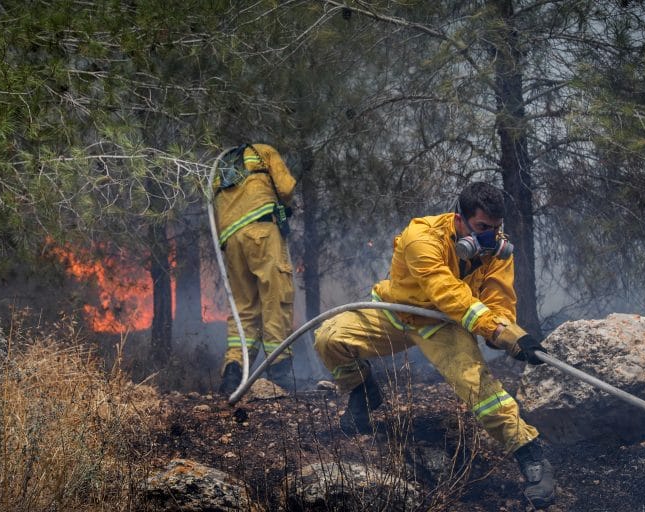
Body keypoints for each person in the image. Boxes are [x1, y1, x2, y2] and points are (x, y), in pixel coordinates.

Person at [313, 181, 555, 508]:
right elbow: (445, 291)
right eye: (482, 227)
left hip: (442, 325)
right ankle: (363, 392)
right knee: (329, 338)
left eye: (495, 228)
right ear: (460, 220)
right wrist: (493, 328)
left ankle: (532, 456)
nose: (489, 237)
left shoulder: (497, 250)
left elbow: (499, 300)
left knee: (481, 390)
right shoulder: (421, 237)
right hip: (397, 312)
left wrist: (504, 331)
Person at [214, 143, 297, 394]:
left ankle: (233, 371)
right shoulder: (264, 151)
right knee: (276, 296)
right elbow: (287, 187)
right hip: (261, 232)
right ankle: (278, 373)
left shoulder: (221, 163)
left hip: (231, 240)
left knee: (243, 308)